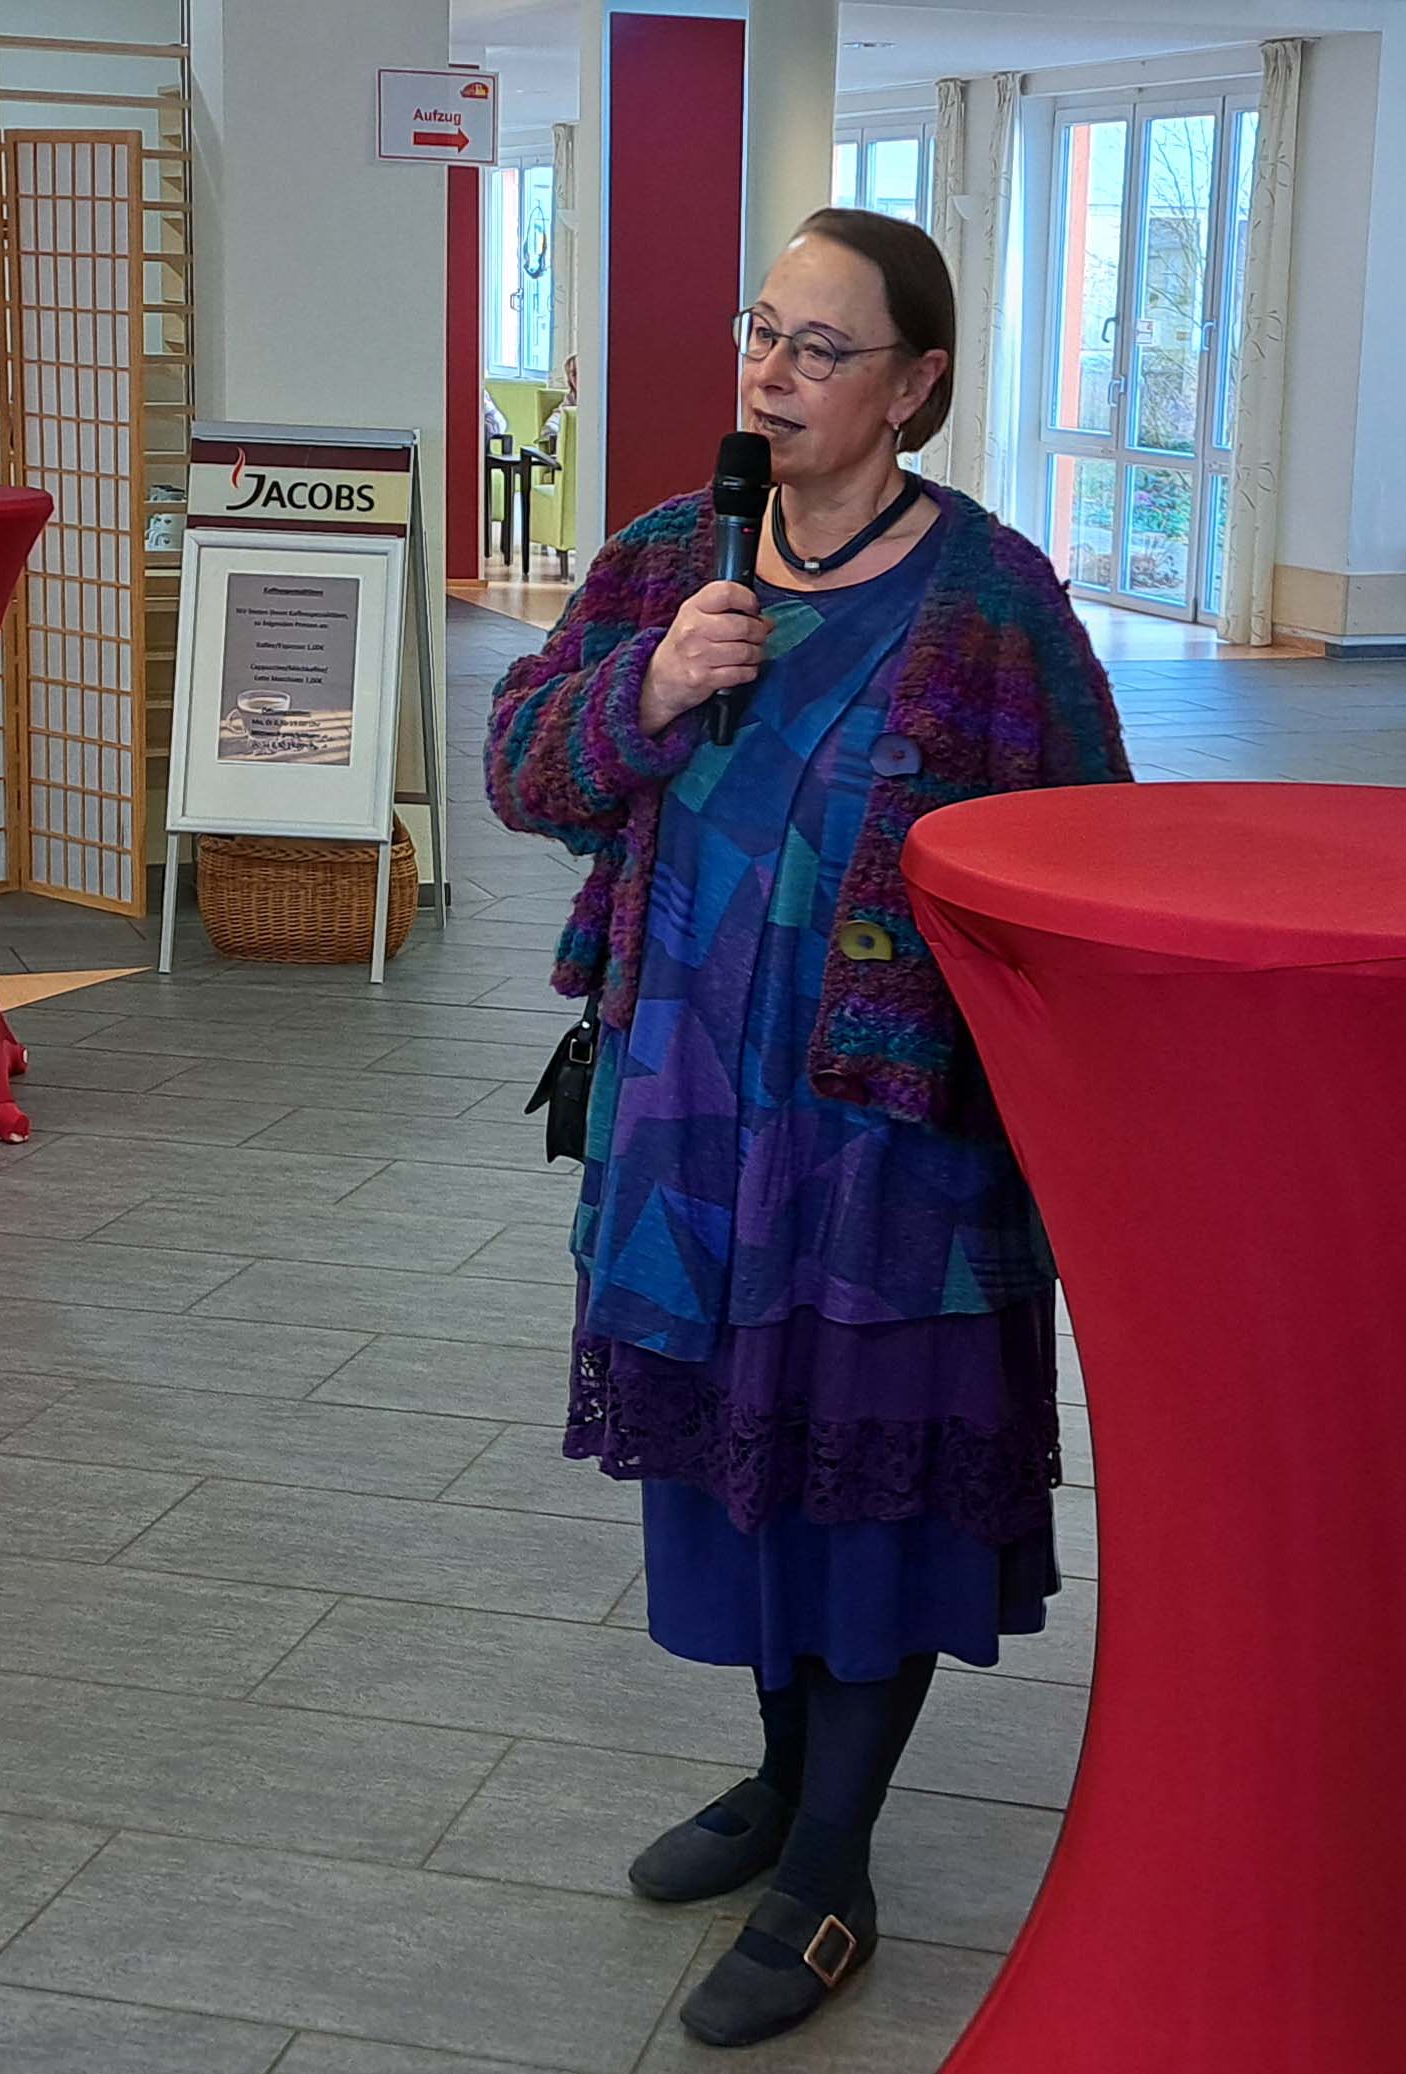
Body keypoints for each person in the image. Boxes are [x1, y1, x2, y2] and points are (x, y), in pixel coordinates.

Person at [482, 210, 1128, 2049]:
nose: (770, 372)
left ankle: (833, 1865)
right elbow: (526, 764)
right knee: (736, 1471)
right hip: (687, 1119)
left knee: (872, 1491)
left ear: (917, 385)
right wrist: (648, 687)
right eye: (760, 330)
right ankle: (781, 1783)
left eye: (819, 347)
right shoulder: (664, 559)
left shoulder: (993, 601)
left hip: (891, 1149)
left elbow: (1093, 853)